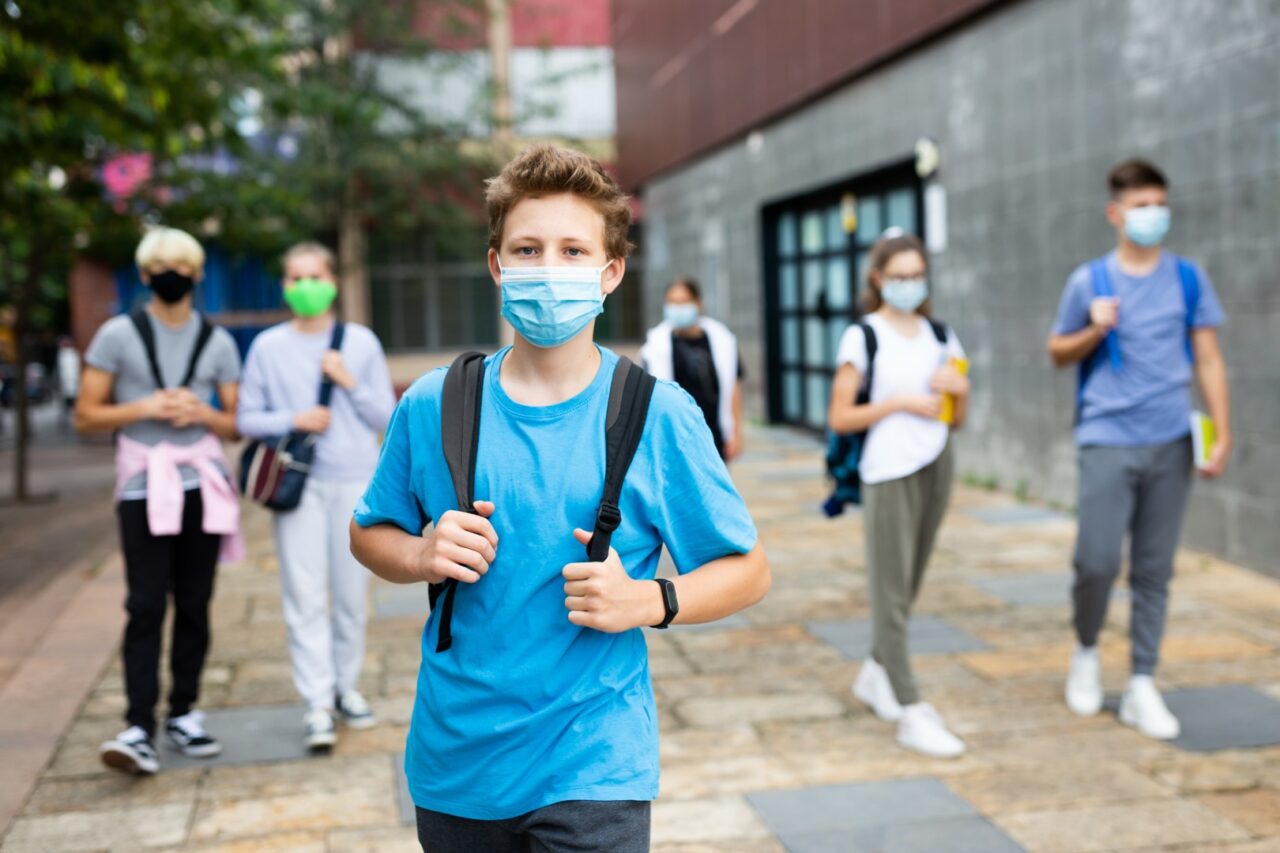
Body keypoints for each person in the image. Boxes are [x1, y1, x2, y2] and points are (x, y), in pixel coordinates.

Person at [349, 144, 770, 852]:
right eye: (528, 248)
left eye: (574, 250)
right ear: (497, 266)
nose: (549, 268)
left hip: (595, 760)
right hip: (459, 761)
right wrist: (420, 552)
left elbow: (749, 569)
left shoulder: (657, 414)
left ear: (610, 273)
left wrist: (650, 600)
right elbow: (370, 533)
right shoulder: (432, 405)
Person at [1047, 159, 1230, 740]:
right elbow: (1056, 351)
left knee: (1154, 568)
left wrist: (1221, 430)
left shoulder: (1187, 278)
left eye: (1159, 204)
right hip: (1106, 437)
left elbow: (1207, 357)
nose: (1153, 215)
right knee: (1096, 561)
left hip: (1171, 439)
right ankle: (1085, 651)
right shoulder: (1089, 281)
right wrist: (1093, 329)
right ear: (1116, 213)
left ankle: (1143, 683)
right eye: (1141, 205)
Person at [76, 227, 242, 774]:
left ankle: (184, 714)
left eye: (181, 264)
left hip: (202, 486)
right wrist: (145, 406)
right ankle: (137, 725)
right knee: (145, 604)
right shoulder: (117, 335)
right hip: (142, 487)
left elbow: (234, 423)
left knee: (194, 602)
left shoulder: (216, 341)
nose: (171, 273)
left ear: (196, 274)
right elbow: (87, 415)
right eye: (159, 265)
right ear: (145, 276)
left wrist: (201, 415)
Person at [237, 242, 396, 750]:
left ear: (332, 280)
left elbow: (388, 420)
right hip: (298, 484)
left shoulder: (361, 342)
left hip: (356, 483)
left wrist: (348, 381)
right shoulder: (268, 347)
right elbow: (246, 418)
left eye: (315, 275)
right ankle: (316, 704)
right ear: (285, 286)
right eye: (296, 278)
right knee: (304, 595)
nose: (306, 285)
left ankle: (345, 688)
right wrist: (294, 419)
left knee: (351, 597)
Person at [827, 232, 970, 758]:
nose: (910, 284)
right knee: (891, 589)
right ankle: (912, 708)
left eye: (917, 275)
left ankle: (874, 673)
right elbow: (839, 416)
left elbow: (960, 416)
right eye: (899, 275)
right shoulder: (863, 336)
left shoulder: (940, 334)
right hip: (888, 468)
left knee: (908, 584)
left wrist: (961, 393)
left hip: (937, 461)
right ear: (878, 278)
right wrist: (901, 403)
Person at [640, 278, 744, 459]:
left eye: (683, 302)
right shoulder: (656, 346)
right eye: (672, 302)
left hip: (714, 433)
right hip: (677, 437)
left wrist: (735, 432)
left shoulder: (722, 340)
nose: (677, 308)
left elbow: (733, 386)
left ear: (698, 303)